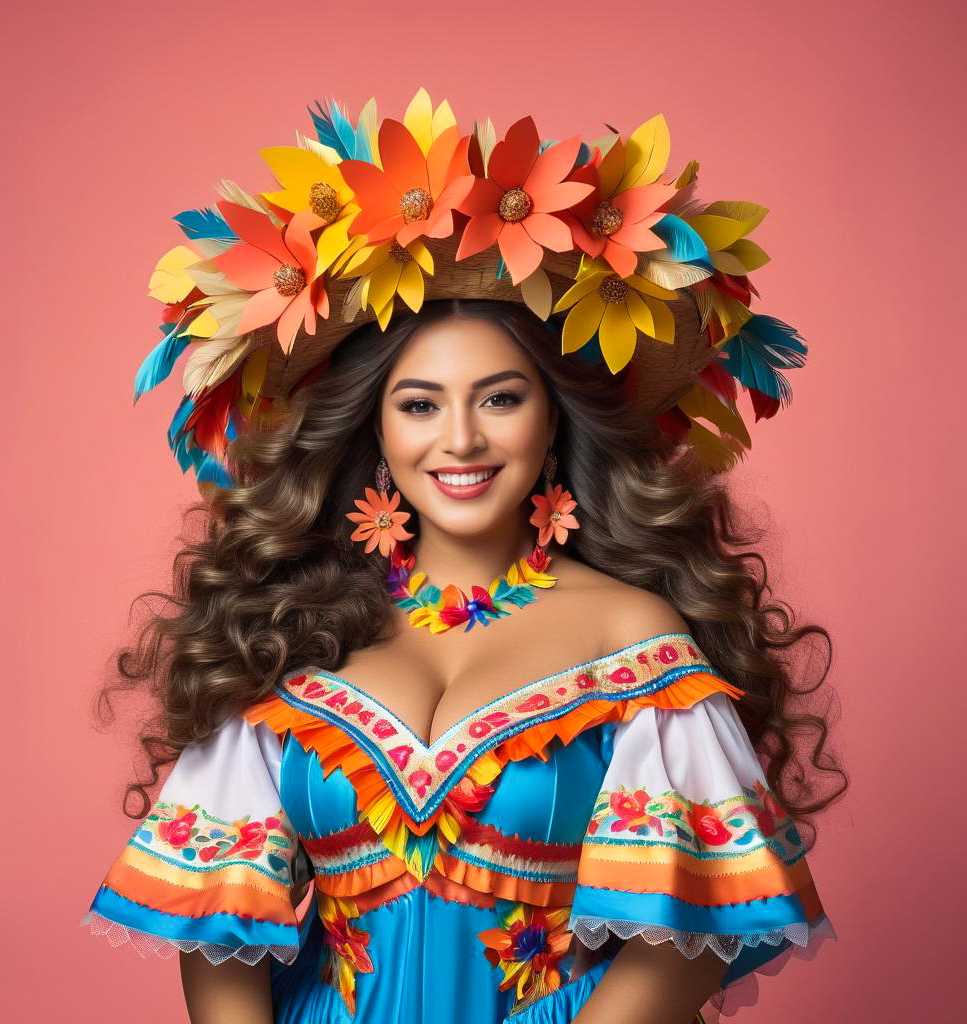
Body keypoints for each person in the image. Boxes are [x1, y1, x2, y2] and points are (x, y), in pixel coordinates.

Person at [81, 88, 845, 1024]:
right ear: (374, 428)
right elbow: (219, 940)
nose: (460, 440)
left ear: (555, 418)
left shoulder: (635, 642)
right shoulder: (289, 634)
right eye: (418, 404)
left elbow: (677, 955)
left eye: (499, 398)